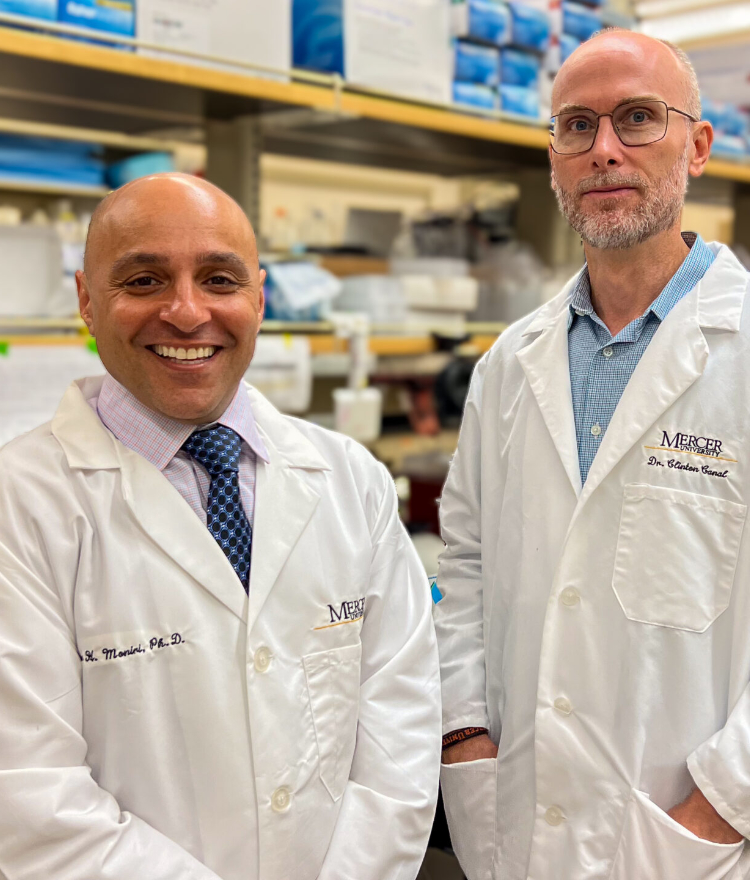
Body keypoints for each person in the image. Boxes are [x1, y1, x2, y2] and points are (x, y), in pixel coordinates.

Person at [0, 173, 441, 880]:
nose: (185, 311)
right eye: (143, 280)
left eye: (218, 279)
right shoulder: (19, 506)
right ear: (86, 300)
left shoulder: (351, 481)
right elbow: (27, 798)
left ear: (259, 298)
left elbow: (400, 733)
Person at [435, 29, 750, 880]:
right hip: (519, 819)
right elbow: (462, 565)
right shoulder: (509, 363)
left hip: (693, 833)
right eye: (576, 126)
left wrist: (723, 804)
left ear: (699, 145)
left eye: (637, 119)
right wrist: (464, 734)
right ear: (553, 157)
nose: (603, 150)